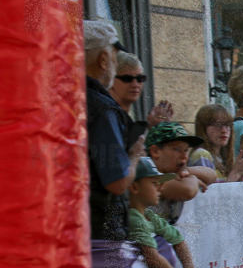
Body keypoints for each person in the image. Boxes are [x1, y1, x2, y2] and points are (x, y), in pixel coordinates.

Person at [84, 20, 145, 241]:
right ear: (103, 59)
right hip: (102, 234)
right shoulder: (102, 109)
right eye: (114, 56)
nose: (114, 63)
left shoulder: (60, 98)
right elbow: (117, 183)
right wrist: (134, 156)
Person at [127, 156, 199, 268]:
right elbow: (152, 257)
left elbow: (178, 239)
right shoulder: (134, 218)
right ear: (134, 188)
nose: (160, 188)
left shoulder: (149, 215)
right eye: (154, 183)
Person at [144, 122, 206, 225]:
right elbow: (188, 190)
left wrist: (188, 171)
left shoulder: (174, 173)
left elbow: (211, 175)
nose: (184, 156)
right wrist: (193, 179)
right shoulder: (148, 177)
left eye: (186, 150)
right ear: (155, 151)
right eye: (177, 149)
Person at [108, 51, 173, 141]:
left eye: (140, 79)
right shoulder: (107, 115)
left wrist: (154, 128)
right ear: (111, 80)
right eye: (127, 79)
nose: (135, 84)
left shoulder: (123, 118)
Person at [188, 104, 243, 183]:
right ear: (203, 128)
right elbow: (211, 193)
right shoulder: (201, 154)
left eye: (227, 125)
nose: (224, 130)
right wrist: (235, 173)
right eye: (217, 125)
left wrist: (241, 173)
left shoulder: (222, 158)